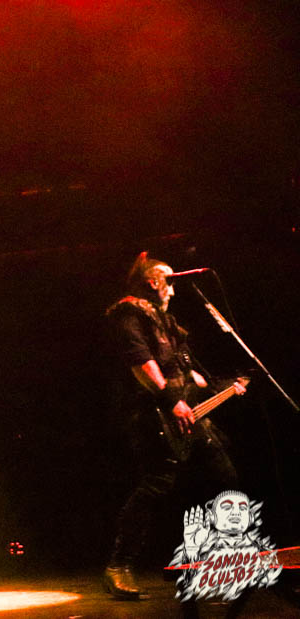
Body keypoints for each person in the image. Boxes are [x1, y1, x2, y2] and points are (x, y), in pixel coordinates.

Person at [102, 252, 246, 600]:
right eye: (170, 280)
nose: (174, 288)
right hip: (153, 413)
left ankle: (203, 559)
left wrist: (227, 385)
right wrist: (172, 401)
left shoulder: (168, 322)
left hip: (187, 412)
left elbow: (192, 374)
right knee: (157, 485)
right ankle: (118, 566)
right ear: (153, 282)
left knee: (225, 478)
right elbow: (142, 363)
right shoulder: (129, 313)